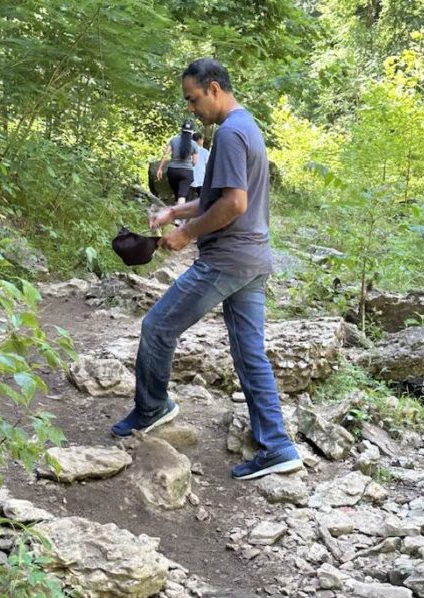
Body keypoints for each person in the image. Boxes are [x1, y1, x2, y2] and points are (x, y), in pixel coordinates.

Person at [111, 57, 302, 481]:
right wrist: (174, 211)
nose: (191, 109)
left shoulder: (232, 135)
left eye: (193, 99)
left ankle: (152, 408)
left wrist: (186, 234)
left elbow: (235, 205)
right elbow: (218, 196)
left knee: (157, 327)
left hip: (227, 260)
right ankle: (277, 445)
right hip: (253, 259)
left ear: (213, 88)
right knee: (250, 352)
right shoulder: (245, 126)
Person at [157, 119, 199, 205]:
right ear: (192, 132)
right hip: (186, 172)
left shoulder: (173, 140)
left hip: (173, 171)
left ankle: (175, 215)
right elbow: (194, 162)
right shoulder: (194, 144)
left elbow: (165, 155)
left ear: (181, 129)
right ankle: (179, 217)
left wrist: (160, 169)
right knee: (182, 196)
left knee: (177, 195)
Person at [190, 132, 209, 198]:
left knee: (188, 200)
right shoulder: (205, 151)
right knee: (202, 199)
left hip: (190, 178)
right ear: (199, 140)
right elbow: (208, 166)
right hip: (201, 178)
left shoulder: (189, 150)